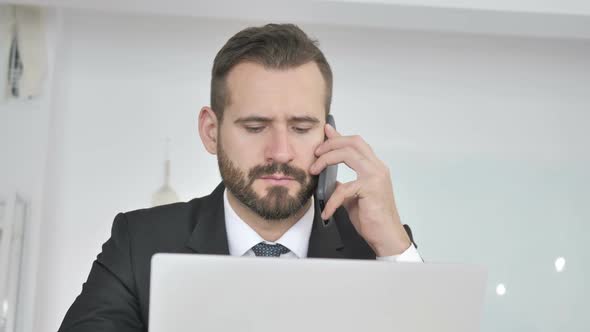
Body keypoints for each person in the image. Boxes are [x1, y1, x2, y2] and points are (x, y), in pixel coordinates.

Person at [58, 23, 423, 332]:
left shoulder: (376, 251)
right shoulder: (141, 243)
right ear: (211, 131)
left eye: (300, 127)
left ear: (328, 133)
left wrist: (395, 249)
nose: (280, 152)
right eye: (254, 126)